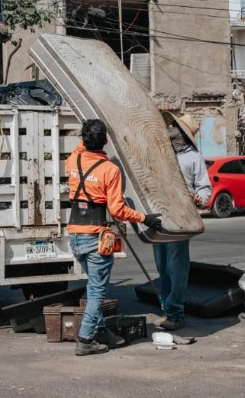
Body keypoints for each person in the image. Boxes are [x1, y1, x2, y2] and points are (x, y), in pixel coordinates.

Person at [66, 118, 163, 356]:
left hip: (75, 235)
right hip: (96, 236)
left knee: (92, 288)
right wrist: (144, 218)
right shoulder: (110, 170)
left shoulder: (72, 160)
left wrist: (87, 133)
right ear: (106, 141)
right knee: (97, 292)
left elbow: (81, 146)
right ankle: (86, 339)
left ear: (84, 139)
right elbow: (118, 210)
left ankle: (100, 331)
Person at [152, 112, 212, 332]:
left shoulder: (193, 157)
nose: (170, 129)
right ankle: (167, 306)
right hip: (160, 217)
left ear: (182, 134)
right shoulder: (162, 153)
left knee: (176, 266)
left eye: (174, 127)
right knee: (162, 266)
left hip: (181, 217)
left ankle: (175, 311)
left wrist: (200, 199)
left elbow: (204, 187)